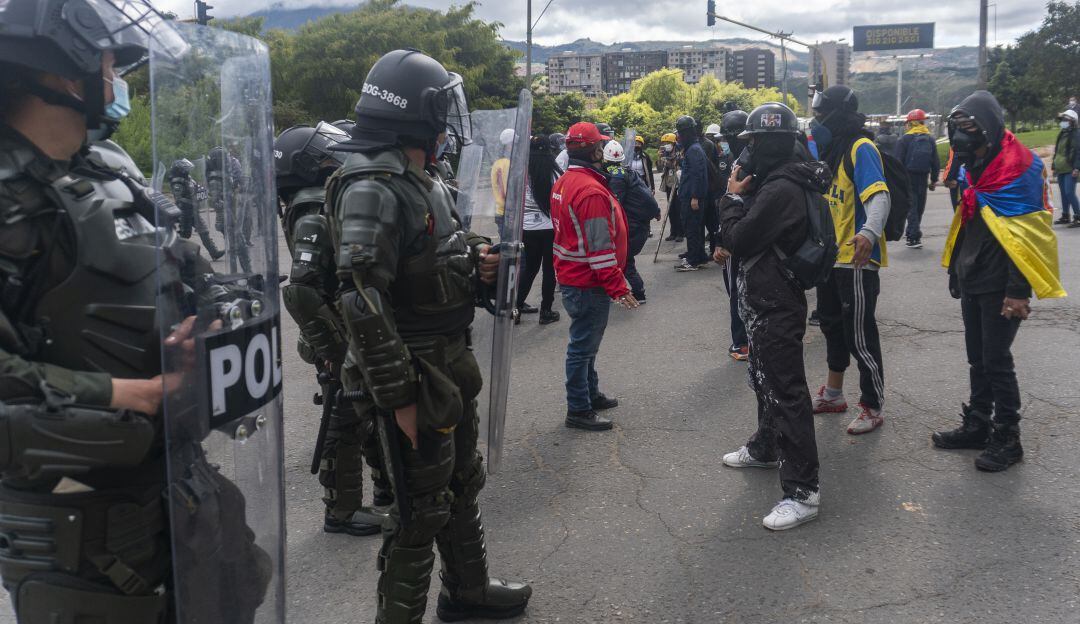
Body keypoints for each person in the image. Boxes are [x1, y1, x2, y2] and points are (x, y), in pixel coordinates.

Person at [0, 2, 272, 620]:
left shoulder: (111, 174)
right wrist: (134, 393)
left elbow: (184, 279)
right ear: (64, 73)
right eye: (105, 63)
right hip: (82, 532)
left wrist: (206, 331)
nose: (114, 78)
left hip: (180, 494)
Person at [325, 49, 531, 622]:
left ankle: (468, 592)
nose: (449, 118)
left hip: (447, 363)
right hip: (412, 372)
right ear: (416, 112)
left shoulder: (419, 176)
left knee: (461, 484)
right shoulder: (373, 183)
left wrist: (476, 260)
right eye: (442, 106)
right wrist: (400, 398)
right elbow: (362, 300)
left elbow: (434, 251)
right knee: (418, 512)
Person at [934, 90, 1066, 471]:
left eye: (969, 128)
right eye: (956, 129)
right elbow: (968, 220)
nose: (961, 136)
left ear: (989, 128)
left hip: (1000, 281)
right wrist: (956, 270)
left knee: (996, 360)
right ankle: (978, 423)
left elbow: (1027, 235)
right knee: (978, 357)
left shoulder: (1019, 167)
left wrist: (1017, 291)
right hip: (972, 273)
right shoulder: (969, 165)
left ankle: (1008, 436)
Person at [275, 122, 391, 537]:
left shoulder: (318, 201)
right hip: (336, 334)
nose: (335, 159)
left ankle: (384, 488)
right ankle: (341, 510)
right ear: (309, 164)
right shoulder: (312, 209)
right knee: (344, 420)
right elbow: (303, 289)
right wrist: (335, 349)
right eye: (327, 156)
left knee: (368, 412)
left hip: (344, 328)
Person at [717, 102, 829, 531]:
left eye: (751, 145)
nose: (744, 156)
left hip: (776, 300)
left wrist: (731, 198)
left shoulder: (780, 188)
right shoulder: (780, 180)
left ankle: (802, 491)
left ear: (766, 145)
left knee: (786, 391)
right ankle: (765, 447)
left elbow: (740, 239)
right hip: (766, 297)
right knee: (762, 378)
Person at [808, 85, 891, 435]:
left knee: (859, 334)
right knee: (832, 328)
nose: (816, 120)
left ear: (838, 113)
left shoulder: (861, 148)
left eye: (821, 112)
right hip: (831, 258)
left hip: (855, 260)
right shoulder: (830, 151)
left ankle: (872, 405)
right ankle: (834, 393)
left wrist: (869, 234)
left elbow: (879, 196)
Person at [551, 122, 639, 432]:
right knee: (583, 346)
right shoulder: (589, 190)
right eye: (601, 145)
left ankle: (590, 394)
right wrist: (617, 287)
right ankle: (579, 408)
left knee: (586, 343)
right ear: (595, 151)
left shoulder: (566, 181)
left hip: (575, 277)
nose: (604, 150)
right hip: (587, 281)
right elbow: (599, 249)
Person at [603, 140, 661, 303]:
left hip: (631, 225)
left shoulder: (615, 178)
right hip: (639, 224)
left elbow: (615, 204)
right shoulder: (626, 172)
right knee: (624, 259)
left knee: (625, 260)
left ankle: (638, 291)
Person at [718, 110, 751, 361]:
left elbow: (734, 201)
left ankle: (742, 343)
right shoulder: (748, 156)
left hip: (738, 233)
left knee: (737, 290)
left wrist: (723, 240)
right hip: (747, 232)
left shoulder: (743, 162)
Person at [517, 135, 561, 324]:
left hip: (528, 229)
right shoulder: (555, 173)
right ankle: (546, 311)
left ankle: (516, 308)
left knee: (530, 269)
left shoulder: (521, 172)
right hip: (550, 228)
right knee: (550, 270)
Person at [895, 109, 940, 248]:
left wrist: (898, 182)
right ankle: (912, 234)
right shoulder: (930, 139)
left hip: (908, 178)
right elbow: (936, 162)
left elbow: (898, 162)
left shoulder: (904, 139)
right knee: (919, 207)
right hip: (923, 177)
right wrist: (933, 180)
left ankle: (913, 237)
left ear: (910, 123)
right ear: (922, 122)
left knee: (912, 207)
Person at [169, 157, 226, 259]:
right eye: (185, 169)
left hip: (193, 210)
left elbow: (195, 190)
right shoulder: (177, 182)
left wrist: (202, 194)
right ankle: (174, 254)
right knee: (184, 235)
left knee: (203, 231)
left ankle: (214, 253)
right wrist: (192, 201)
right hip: (185, 211)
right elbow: (179, 199)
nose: (187, 170)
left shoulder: (188, 179)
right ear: (180, 170)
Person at [675, 115, 711, 271]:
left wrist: (695, 196)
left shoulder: (694, 150)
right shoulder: (692, 149)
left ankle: (693, 260)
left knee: (692, 229)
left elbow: (698, 175)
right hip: (690, 196)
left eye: (680, 133)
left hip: (692, 197)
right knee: (695, 227)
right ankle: (699, 255)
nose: (679, 136)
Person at [1052, 109, 1080, 226]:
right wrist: (1054, 164)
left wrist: (1077, 168)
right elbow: (1058, 150)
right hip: (1061, 168)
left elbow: (1078, 152)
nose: (1063, 121)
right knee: (1063, 193)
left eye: (1066, 120)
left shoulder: (1076, 134)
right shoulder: (1062, 133)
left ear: (1072, 122)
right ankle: (1065, 216)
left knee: (1069, 192)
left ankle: (1078, 217)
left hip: (1070, 168)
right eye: (1063, 119)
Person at [659, 132, 685, 242]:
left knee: (678, 208)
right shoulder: (664, 154)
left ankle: (680, 232)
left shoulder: (680, 153)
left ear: (674, 143)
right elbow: (660, 167)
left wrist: (670, 160)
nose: (666, 145)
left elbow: (679, 164)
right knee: (671, 209)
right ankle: (673, 232)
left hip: (677, 183)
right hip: (668, 183)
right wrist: (661, 158)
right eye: (664, 143)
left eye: (668, 143)